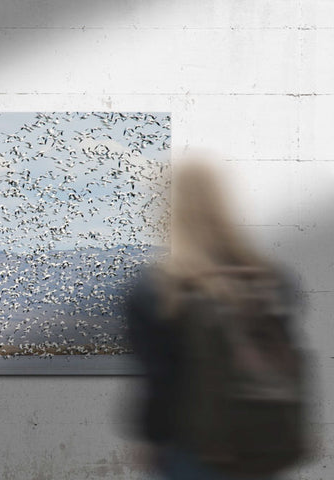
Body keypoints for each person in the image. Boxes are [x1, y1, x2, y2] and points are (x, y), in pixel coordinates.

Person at [125, 157, 307, 480]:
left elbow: (160, 384)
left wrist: (152, 439)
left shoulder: (158, 289)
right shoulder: (273, 281)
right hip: (264, 445)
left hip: (194, 452)